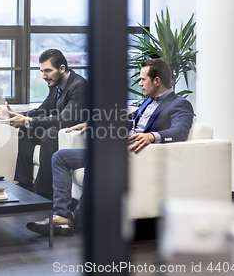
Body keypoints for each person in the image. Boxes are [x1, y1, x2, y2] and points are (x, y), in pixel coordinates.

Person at [26, 58, 194, 235]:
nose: (140, 83)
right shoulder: (148, 101)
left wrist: (152, 136)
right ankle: (62, 215)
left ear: (157, 81)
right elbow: (126, 119)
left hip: (134, 156)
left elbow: (180, 132)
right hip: (115, 150)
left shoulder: (180, 104)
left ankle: (80, 219)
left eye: (143, 79)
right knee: (60, 157)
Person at [0, 49, 88, 198]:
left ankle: (43, 193)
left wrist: (27, 121)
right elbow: (41, 110)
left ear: (62, 68)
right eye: (42, 71)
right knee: (26, 130)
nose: (44, 76)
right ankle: (24, 185)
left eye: (48, 71)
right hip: (60, 132)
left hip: (76, 137)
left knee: (49, 135)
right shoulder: (55, 84)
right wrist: (16, 116)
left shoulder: (78, 86)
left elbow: (64, 120)